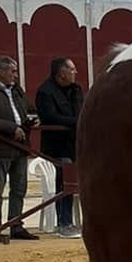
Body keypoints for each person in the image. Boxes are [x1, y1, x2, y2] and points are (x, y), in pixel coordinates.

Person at [0, 55, 39, 239]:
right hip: (0, 147)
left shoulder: (17, 90)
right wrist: (12, 128)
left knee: (19, 188)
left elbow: (28, 108)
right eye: (13, 71)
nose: (15, 75)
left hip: (19, 147)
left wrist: (33, 118)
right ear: (0, 72)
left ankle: (16, 224)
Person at [34, 56, 84, 233]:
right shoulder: (45, 92)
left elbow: (82, 110)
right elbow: (49, 117)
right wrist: (76, 121)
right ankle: (64, 223)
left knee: (76, 181)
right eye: (71, 69)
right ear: (62, 73)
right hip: (55, 147)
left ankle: (79, 221)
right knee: (64, 182)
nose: (75, 73)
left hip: (74, 145)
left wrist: (78, 121)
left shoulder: (76, 90)